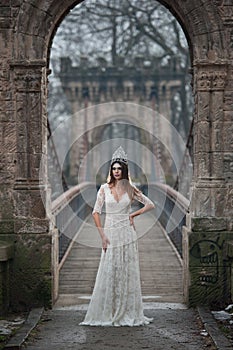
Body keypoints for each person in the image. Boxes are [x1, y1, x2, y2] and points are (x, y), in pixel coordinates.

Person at [80, 146, 155, 326]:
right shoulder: (104, 189)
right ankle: (110, 310)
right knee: (111, 269)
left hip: (127, 233)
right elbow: (96, 212)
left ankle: (127, 310)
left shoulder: (131, 188)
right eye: (114, 169)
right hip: (111, 232)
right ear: (111, 171)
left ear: (124, 170)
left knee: (126, 269)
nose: (116, 172)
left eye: (119, 169)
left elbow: (150, 204)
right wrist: (102, 235)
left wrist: (133, 215)